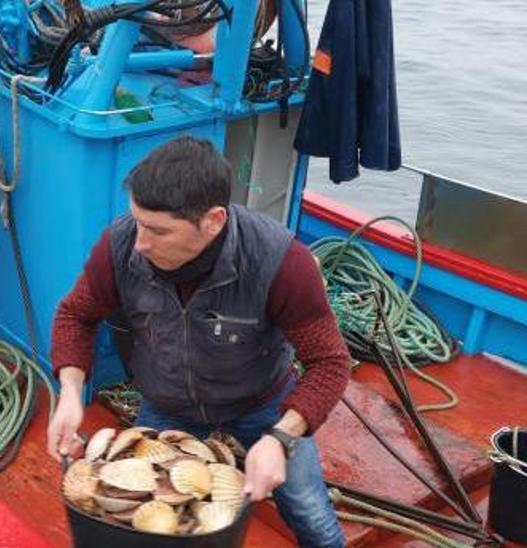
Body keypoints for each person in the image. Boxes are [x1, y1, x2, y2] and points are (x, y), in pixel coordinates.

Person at [46, 136, 350, 546]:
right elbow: (75, 315)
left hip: (262, 406)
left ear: (214, 220)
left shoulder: (279, 261)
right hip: (166, 406)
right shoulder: (120, 246)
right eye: (137, 222)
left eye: (158, 230)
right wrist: (69, 392)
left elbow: (330, 362)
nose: (140, 243)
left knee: (312, 516)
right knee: (137, 519)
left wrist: (281, 438)